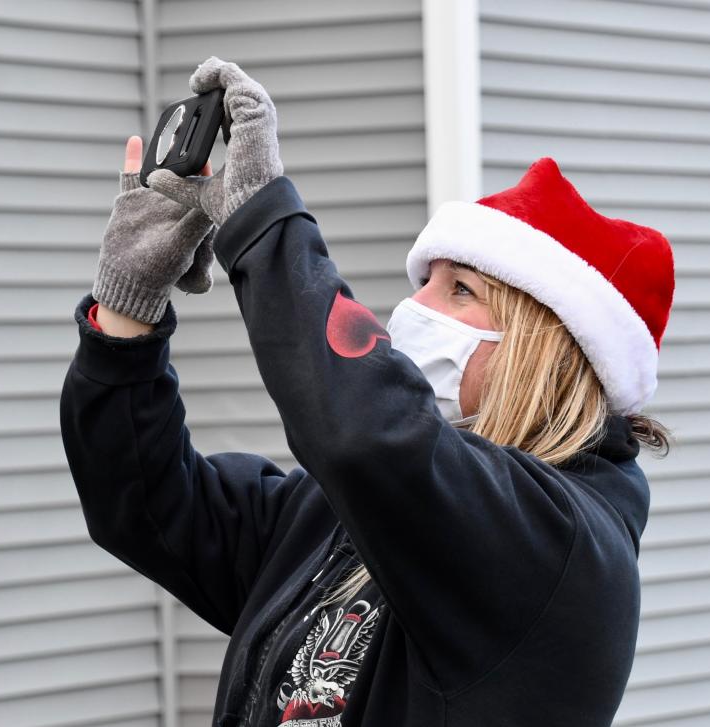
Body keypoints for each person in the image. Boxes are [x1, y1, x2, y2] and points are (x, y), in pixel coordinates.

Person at [60, 57, 674, 727]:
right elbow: (149, 505)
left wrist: (263, 219)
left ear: (544, 356)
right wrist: (129, 306)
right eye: (426, 280)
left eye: (460, 289)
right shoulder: (347, 512)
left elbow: (365, 434)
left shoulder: (563, 547)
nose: (416, 306)